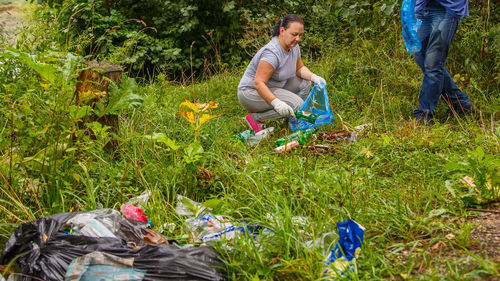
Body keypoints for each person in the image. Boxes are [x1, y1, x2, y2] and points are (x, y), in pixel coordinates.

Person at [237, 14, 326, 133]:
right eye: (294, 34)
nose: (298, 39)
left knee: (305, 82)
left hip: (273, 87)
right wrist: (277, 103)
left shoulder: (294, 46)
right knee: (297, 104)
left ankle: (290, 117)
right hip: (250, 93)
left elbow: (299, 69)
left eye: (300, 35)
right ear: (282, 31)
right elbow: (258, 83)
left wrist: (314, 77)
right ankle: (255, 118)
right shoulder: (272, 53)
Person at [413, 0, 473, 124]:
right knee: (420, 57)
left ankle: (424, 115)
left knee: (433, 63)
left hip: (447, 9)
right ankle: (460, 102)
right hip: (423, 8)